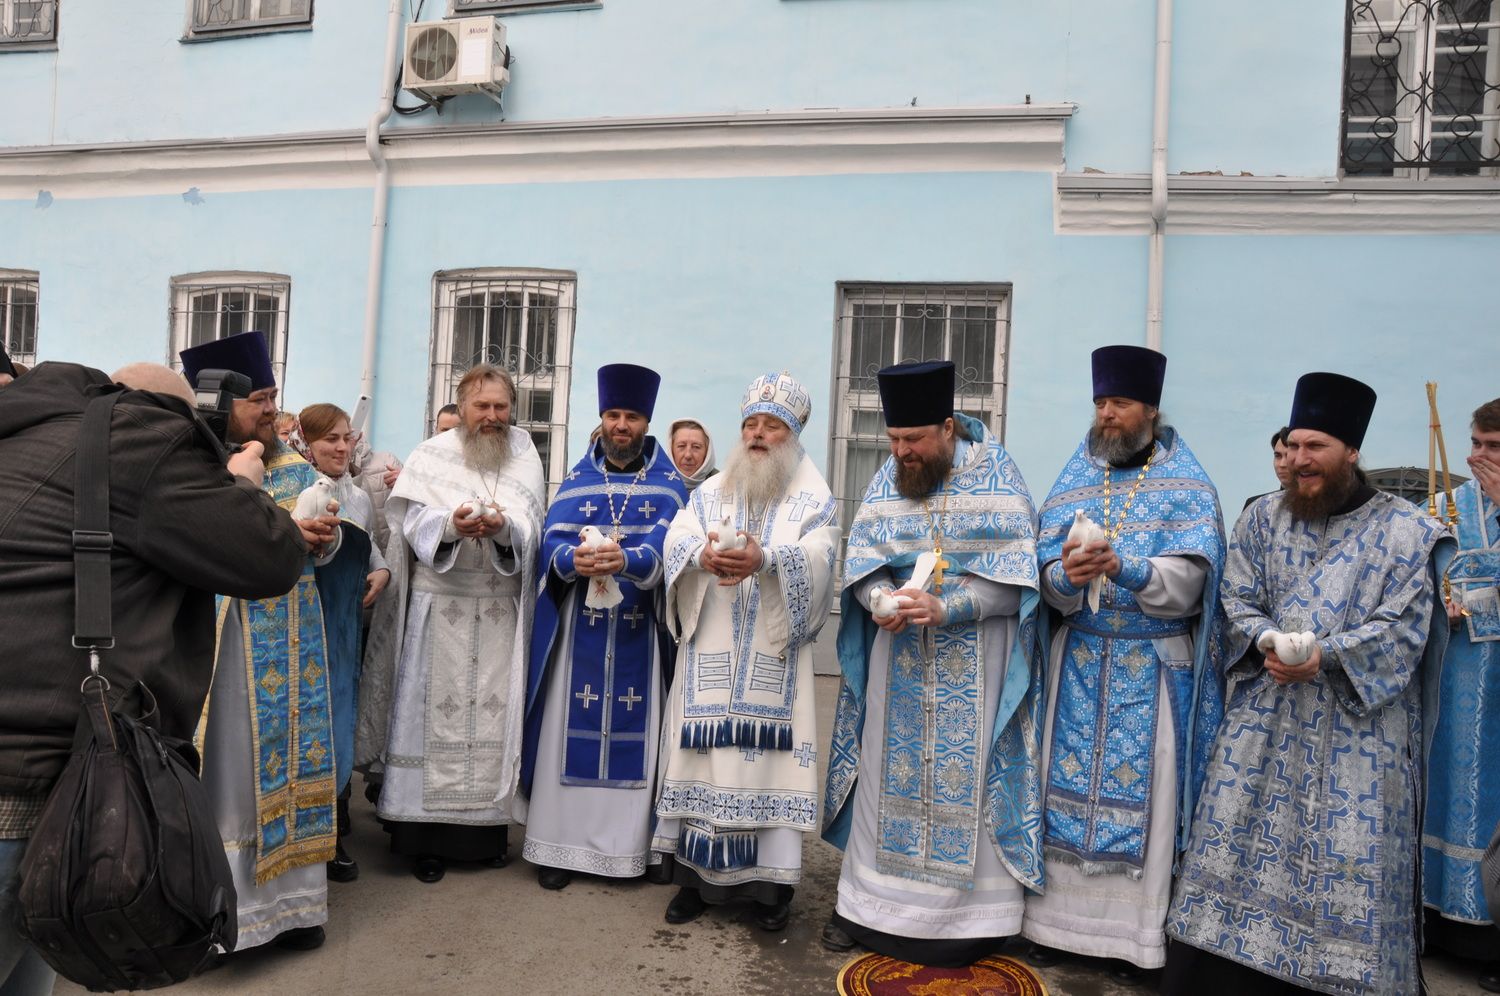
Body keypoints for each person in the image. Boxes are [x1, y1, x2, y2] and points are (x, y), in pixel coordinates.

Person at [0, 360, 304, 996]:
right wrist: (242, 484)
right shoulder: (135, 437)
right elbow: (266, 555)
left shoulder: (20, 435)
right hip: (33, 777)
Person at [1164, 372, 1452, 995]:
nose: (1298, 461)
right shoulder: (1261, 519)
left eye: (1315, 447)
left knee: (1350, 863)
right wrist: (1269, 639)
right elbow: (1235, 599)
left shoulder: (1406, 531)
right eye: (1292, 447)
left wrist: (1326, 654)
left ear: (1351, 451)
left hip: (1360, 738)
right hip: (1264, 720)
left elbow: (1404, 629)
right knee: (1235, 845)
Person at [822, 360, 1046, 967]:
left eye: (914, 440)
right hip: (898, 661)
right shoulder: (888, 478)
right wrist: (879, 602)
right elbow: (863, 568)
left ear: (948, 427)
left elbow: (1021, 587)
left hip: (978, 661)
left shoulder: (1000, 478)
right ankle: (867, 911)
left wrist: (949, 607)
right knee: (880, 778)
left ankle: (977, 923)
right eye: (894, 441)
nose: (903, 452)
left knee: (969, 787)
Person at [1021, 345, 1226, 980]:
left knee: (1152, 800)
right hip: (1079, 659)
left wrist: (1126, 567)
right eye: (1102, 404)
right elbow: (1043, 576)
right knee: (1062, 789)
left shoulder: (1188, 483)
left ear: (1151, 410)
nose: (1108, 415)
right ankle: (1055, 930)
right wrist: (1064, 575)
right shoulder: (1075, 477)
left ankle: (1135, 943)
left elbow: (1193, 586)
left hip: (1152, 667)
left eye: (1121, 404)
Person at [654, 373, 839, 931]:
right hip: (710, 648)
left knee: (767, 769)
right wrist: (698, 558)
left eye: (772, 425)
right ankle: (693, 883)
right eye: (751, 425)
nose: (758, 435)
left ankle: (769, 891)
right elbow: (677, 537)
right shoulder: (710, 491)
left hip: (771, 656)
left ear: (793, 433)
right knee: (701, 761)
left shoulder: (814, 495)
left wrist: (770, 559)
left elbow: (822, 555)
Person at [182, 332, 345, 953]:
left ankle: (294, 911)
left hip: (288, 641)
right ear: (221, 402)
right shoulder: (192, 463)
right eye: (260, 400)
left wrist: (320, 540)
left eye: (277, 398)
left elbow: (327, 546)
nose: (274, 414)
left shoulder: (295, 467)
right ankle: (222, 920)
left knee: (285, 768)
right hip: (218, 654)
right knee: (223, 778)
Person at [359, 364, 545, 883]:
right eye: (481, 406)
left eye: (500, 407)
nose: (491, 416)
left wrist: (505, 526)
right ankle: (422, 840)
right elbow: (410, 522)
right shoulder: (430, 455)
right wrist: (450, 524)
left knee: (492, 716)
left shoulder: (525, 453)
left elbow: (534, 524)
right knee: (428, 718)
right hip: (440, 608)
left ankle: (483, 838)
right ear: (461, 408)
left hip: (500, 613)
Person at [517, 363, 687, 890]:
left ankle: (631, 849)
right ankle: (559, 847)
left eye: (631, 416)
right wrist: (572, 560)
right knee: (566, 731)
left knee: (640, 734)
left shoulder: (670, 484)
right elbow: (549, 543)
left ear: (645, 422)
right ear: (602, 418)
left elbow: (674, 547)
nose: (621, 425)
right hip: (582, 633)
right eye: (613, 414)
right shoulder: (577, 478)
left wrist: (629, 560)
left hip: (640, 629)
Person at [294, 403, 390, 882]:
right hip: (307, 621)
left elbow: (368, 541)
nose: (340, 446)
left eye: (346, 437)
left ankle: (334, 830)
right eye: (330, 438)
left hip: (345, 623)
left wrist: (382, 567)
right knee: (309, 722)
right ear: (306, 442)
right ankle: (309, 833)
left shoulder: (359, 496)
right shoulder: (296, 488)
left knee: (339, 719)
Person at [1423, 397, 1500, 992]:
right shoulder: (1442, 511)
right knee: (1448, 789)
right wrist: (1436, 609)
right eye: (1475, 443)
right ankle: (1438, 922)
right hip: (1456, 687)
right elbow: (1410, 588)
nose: (1476, 457)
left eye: (1493, 447)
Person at [1242, 427, 1292, 510]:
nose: (1282, 464)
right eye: (1277, 456)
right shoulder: (1256, 507)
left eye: (1289, 456)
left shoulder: (1318, 506)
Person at [668, 417, 716, 492]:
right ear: (671, 450)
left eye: (696, 447)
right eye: (681, 446)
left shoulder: (724, 487)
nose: (688, 455)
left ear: (707, 452)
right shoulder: (656, 486)